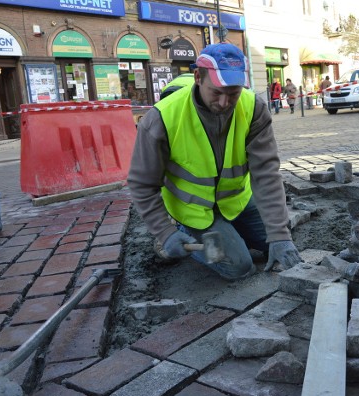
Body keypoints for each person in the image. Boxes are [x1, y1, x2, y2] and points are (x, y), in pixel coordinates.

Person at [127, 43, 302, 281]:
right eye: (216, 92)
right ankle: (183, 230)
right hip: (193, 211)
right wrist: (165, 232)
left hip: (235, 203)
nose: (224, 103)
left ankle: (231, 232)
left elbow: (266, 174)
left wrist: (280, 235)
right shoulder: (161, 118)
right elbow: (141, 184)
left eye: (233, 94)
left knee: (279, 241)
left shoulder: (254, 108)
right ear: (198, 77)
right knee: (239, 266)